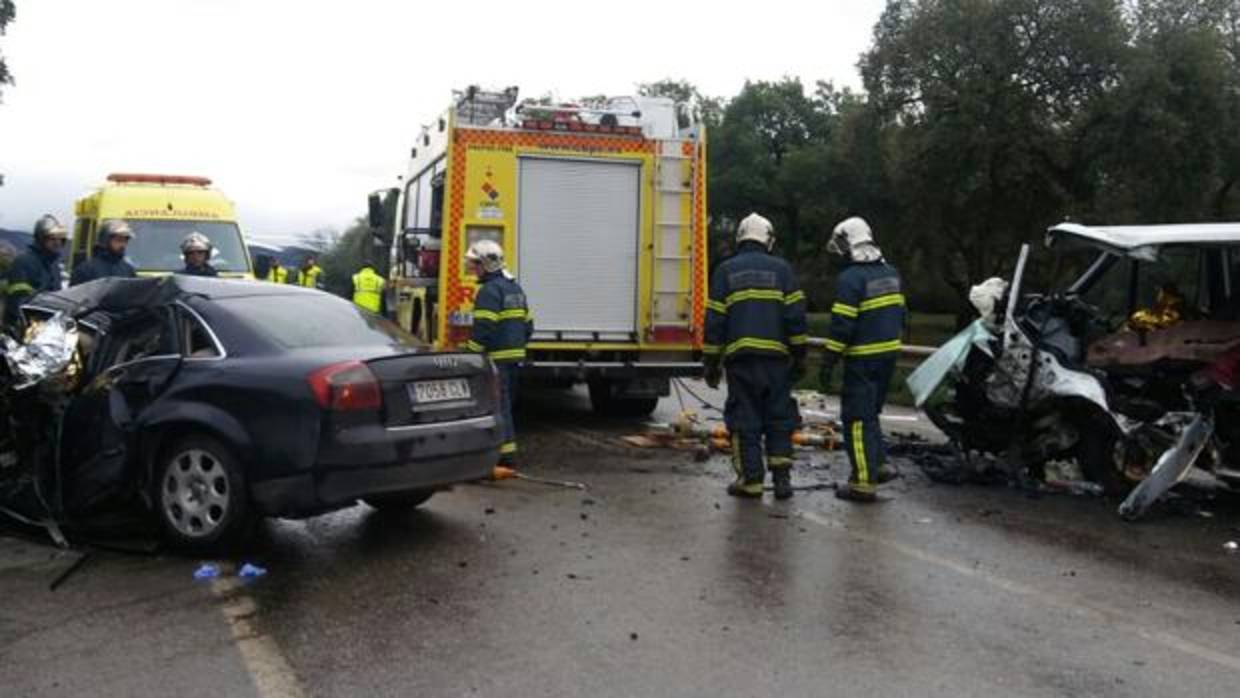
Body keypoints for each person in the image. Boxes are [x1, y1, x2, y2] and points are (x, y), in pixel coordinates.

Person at [703, 213, 808, 500]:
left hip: (741, 362)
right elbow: (796, 318)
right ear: (768, 239)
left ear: (741, 238)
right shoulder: (783, 270)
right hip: (777, 362)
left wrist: (711, 363)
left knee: (744, 419)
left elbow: (715, 322)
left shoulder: (725, 271)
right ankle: (783, 480)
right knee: (779, 417)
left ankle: (751, 482)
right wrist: (799, 356)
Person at [819, 216, 906, 503]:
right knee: (871, 415)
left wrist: (829, 360)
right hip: (888, 356)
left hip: (862, 359)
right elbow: (901, 314)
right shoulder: (891, 273)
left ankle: (862, 483)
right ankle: (878, 464)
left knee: (856, 419)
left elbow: (843, 324)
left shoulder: (850, 279)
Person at [461, 240, 532, 471]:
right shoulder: (515, 288)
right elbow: (529, 325)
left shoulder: (489, 291)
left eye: (475, 264)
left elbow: (484, 328)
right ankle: (506, 452)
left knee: (499, 406)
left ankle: (505, 456)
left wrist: (470, 353)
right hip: (515, 359)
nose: (473, 269)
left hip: (497, 359)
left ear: (487, 265)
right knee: (507, 405)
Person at [4, 215, 68, 329]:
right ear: (41, 239)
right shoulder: (23, 262)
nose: (57, 243)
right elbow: (17, 302)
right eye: (53, 238)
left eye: (60, 239)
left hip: (48, 328)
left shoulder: (54, 266)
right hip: (23, 329)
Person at [70, 219, 137, 285]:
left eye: (125, 241)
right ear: (105, 240)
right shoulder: (85, 270)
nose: (123, 245)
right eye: (119, 240)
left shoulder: (128, 270)